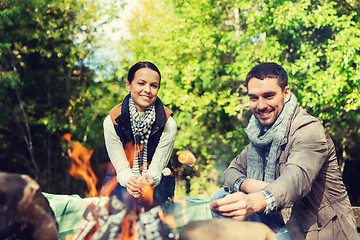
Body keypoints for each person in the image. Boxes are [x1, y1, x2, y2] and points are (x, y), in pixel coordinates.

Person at [210, 62, 359, 240]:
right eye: (254, 98)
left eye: (268, 96)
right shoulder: (261, 135)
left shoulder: (308, 129)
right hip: (281, 224)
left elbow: (296, 180)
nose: (261, 105)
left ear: (286, 93)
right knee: (221, 197)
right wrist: (250, 185)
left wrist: (259, 199)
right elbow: (230, 172)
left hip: (314, 229)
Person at [100, 61, 177, 210]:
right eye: (141, 83)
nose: (147, 90)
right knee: (123, 203)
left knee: (152, 207)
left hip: (157, 181)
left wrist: (150, 179)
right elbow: (121, 168)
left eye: (153, 86)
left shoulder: (168, 123)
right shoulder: (112, 121)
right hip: (120, 180)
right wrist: (130, 181)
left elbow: (156, 169)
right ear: (128, 85)